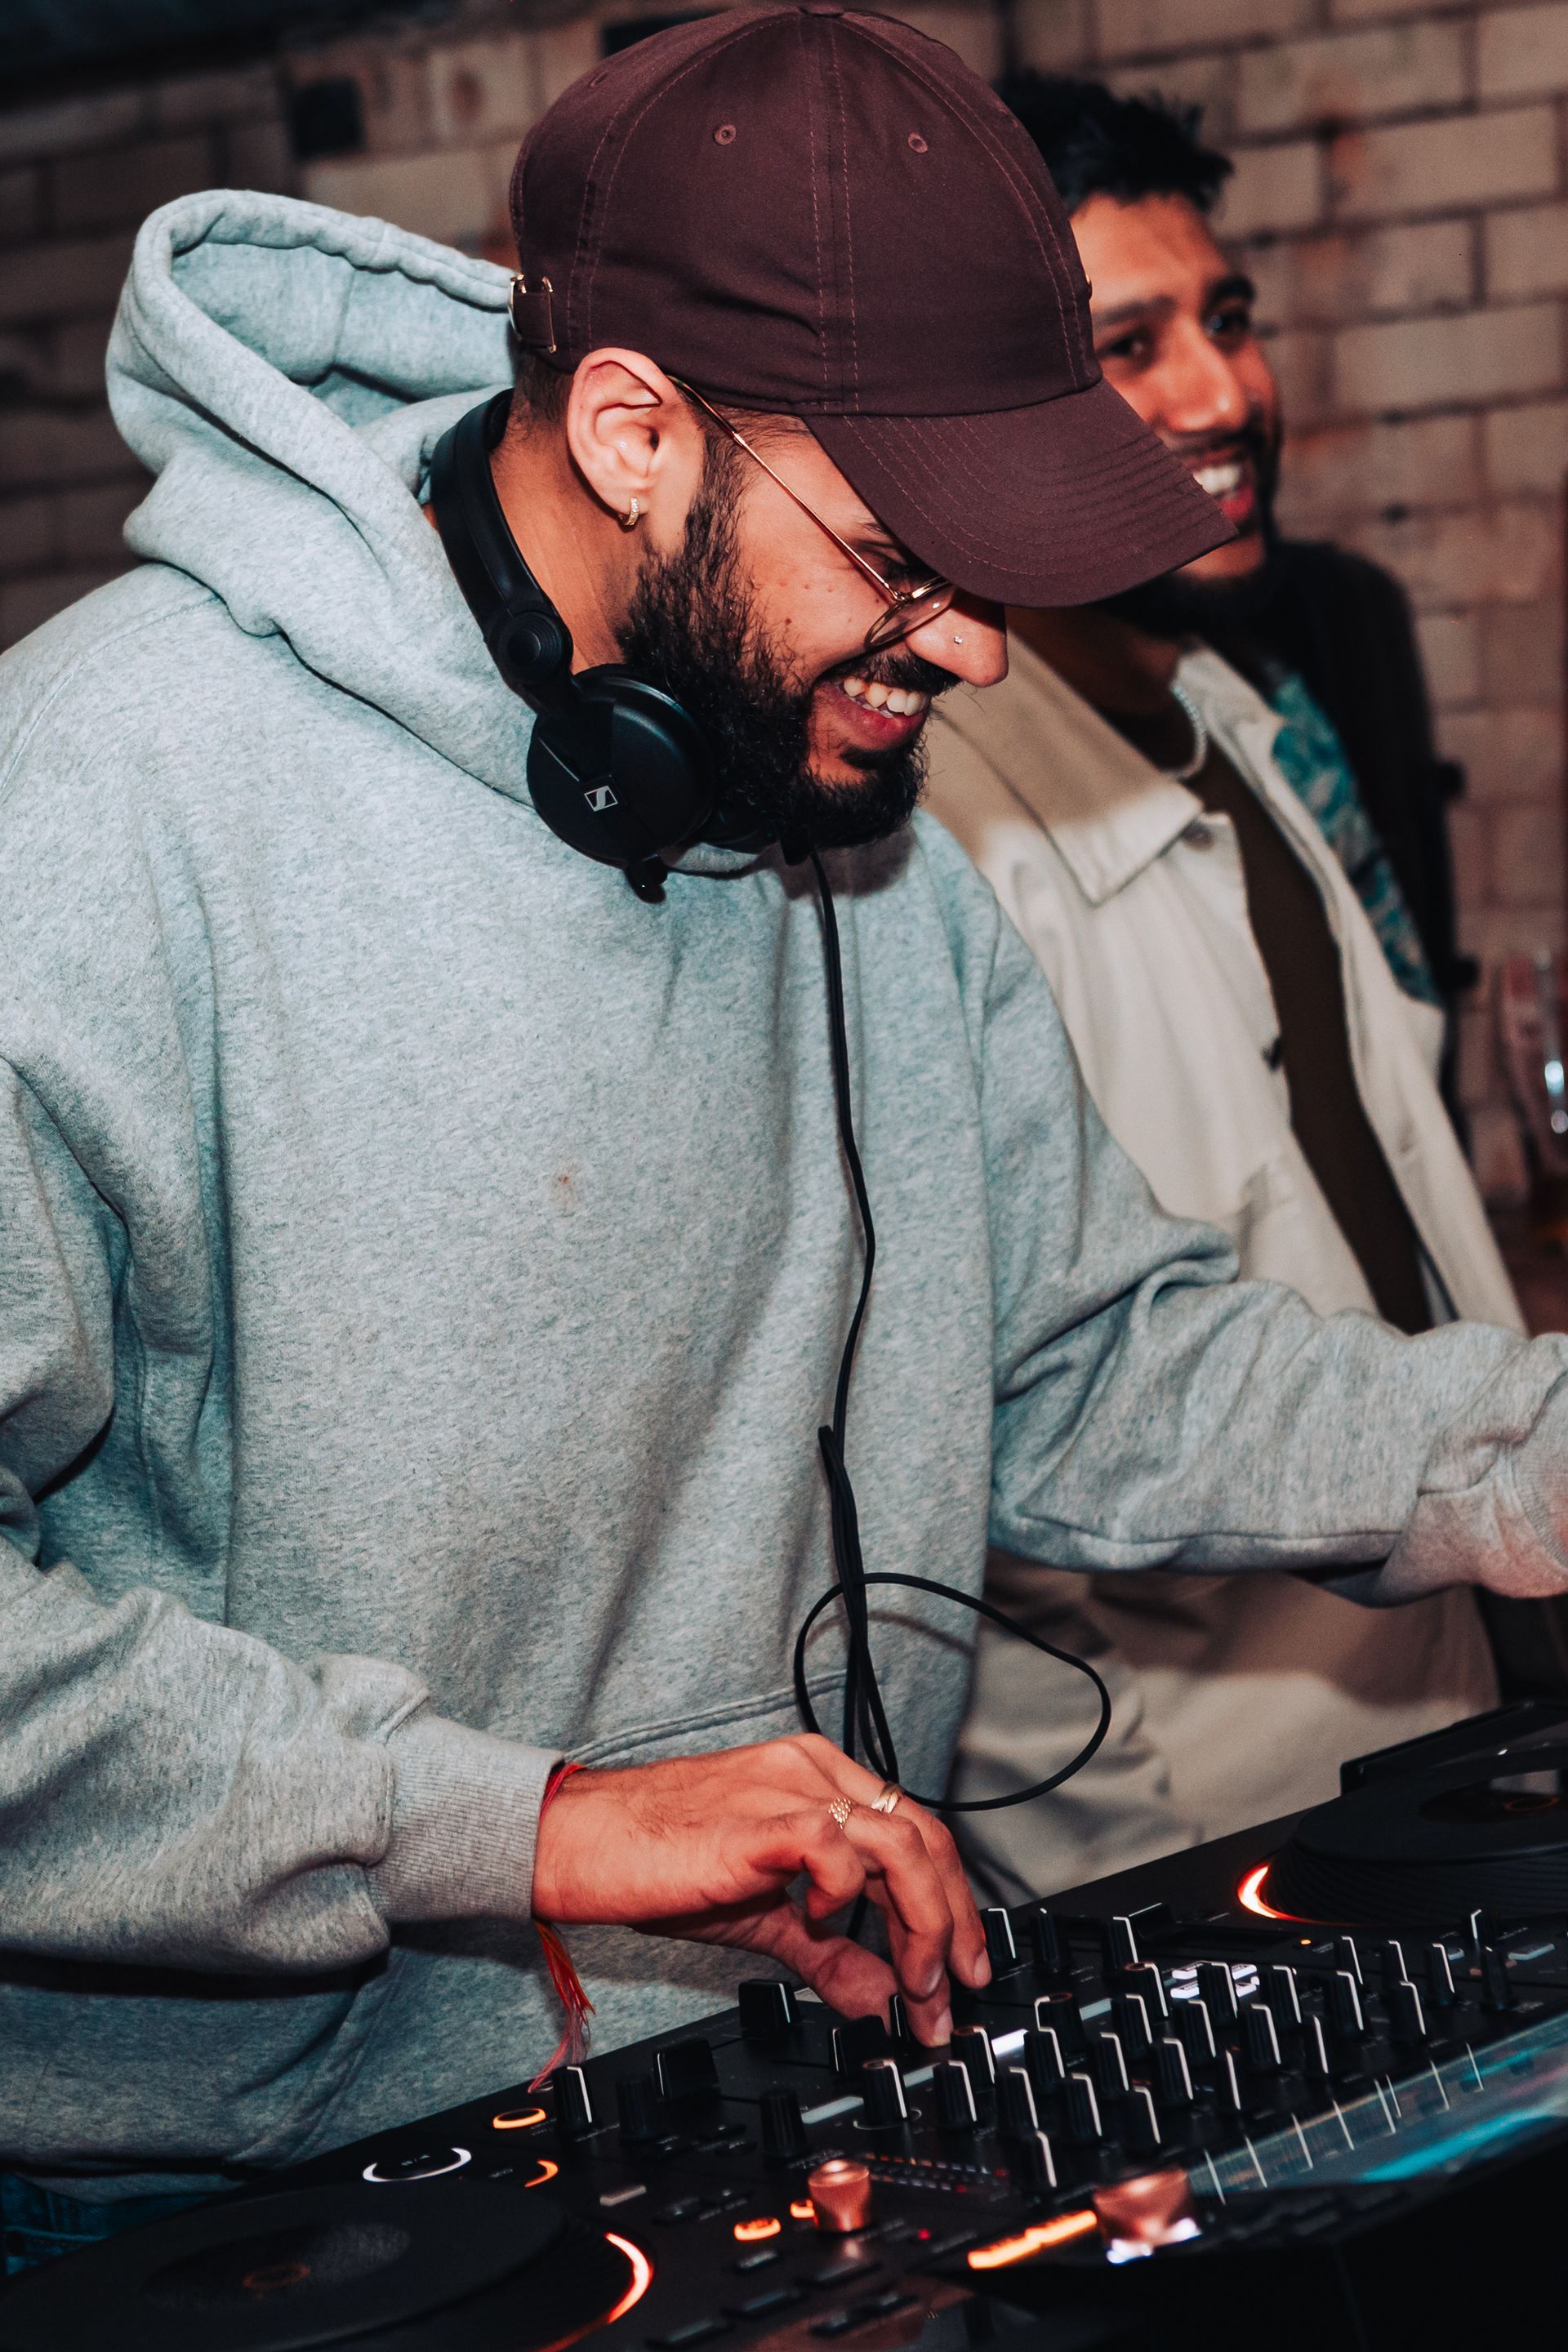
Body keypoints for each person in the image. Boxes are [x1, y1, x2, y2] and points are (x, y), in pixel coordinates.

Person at [3, 7, 1568, 2256]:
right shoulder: (96, 810)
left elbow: (1083, 1364)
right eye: (904, 556)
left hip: (754, 2101)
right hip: (207, 2213)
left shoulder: (848, 824)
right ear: (635, 431)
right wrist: (532, 1824)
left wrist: (1526, 1459)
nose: (979, 657)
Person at [928, 74, 1520, 1900]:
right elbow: (968, 1446)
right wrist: (1114, 1890)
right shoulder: (935, 827)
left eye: (1230, 319)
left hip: (1430, 1731)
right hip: (1200, 1846)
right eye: (1133, 345)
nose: (1221, 393)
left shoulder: (1233, 713)